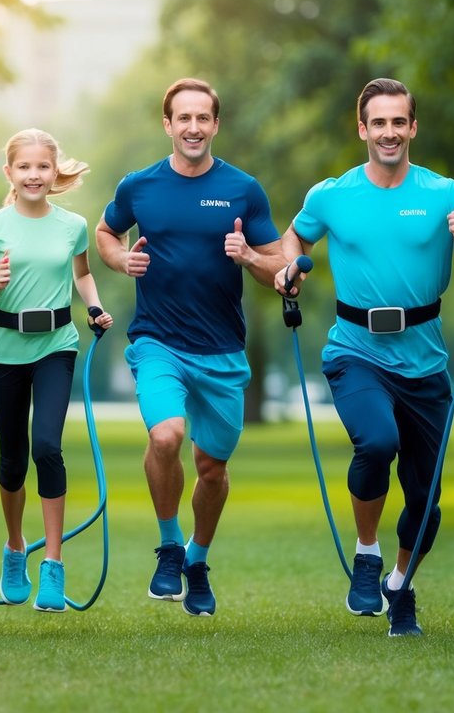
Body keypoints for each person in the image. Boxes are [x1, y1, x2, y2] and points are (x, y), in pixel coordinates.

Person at [275, 78, 454, 637]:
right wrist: (288, 268)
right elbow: (294, 237)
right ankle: (367, 554)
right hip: (355, 351)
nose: (389, 133)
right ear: (362, 129)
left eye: (399, 122)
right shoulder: (332, 195)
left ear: (412, 128)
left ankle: (400, 584)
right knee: (377, 442)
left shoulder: (447, 195)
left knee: (427, 505)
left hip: (425, 362)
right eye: (378, 123)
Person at [95, 78, 285, 616]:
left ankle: (197, 560)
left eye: (203, 118)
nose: (194, 127)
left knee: (212, 471)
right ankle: (169, 544)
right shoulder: (140, 186)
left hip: (222, 351)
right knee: (165, 436)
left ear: (216, 124)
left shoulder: (244, 189)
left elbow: (279, 268)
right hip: (158, 341)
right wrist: (119, 259)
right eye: (184, 118)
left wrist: (249, 256)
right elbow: (106, 233)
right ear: (168, 124)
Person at [0, 128, 114, 613]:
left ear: (55, 172)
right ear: (10, 173)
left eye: (42, 167)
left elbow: (83, 274)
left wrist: (93, 307)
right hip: (5, 348)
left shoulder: (72, 225)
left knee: (47, 446)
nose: (34, 175)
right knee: (13, 459)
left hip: (57, 344)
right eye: (24, 167)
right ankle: (14, 547)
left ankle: (53, 564)